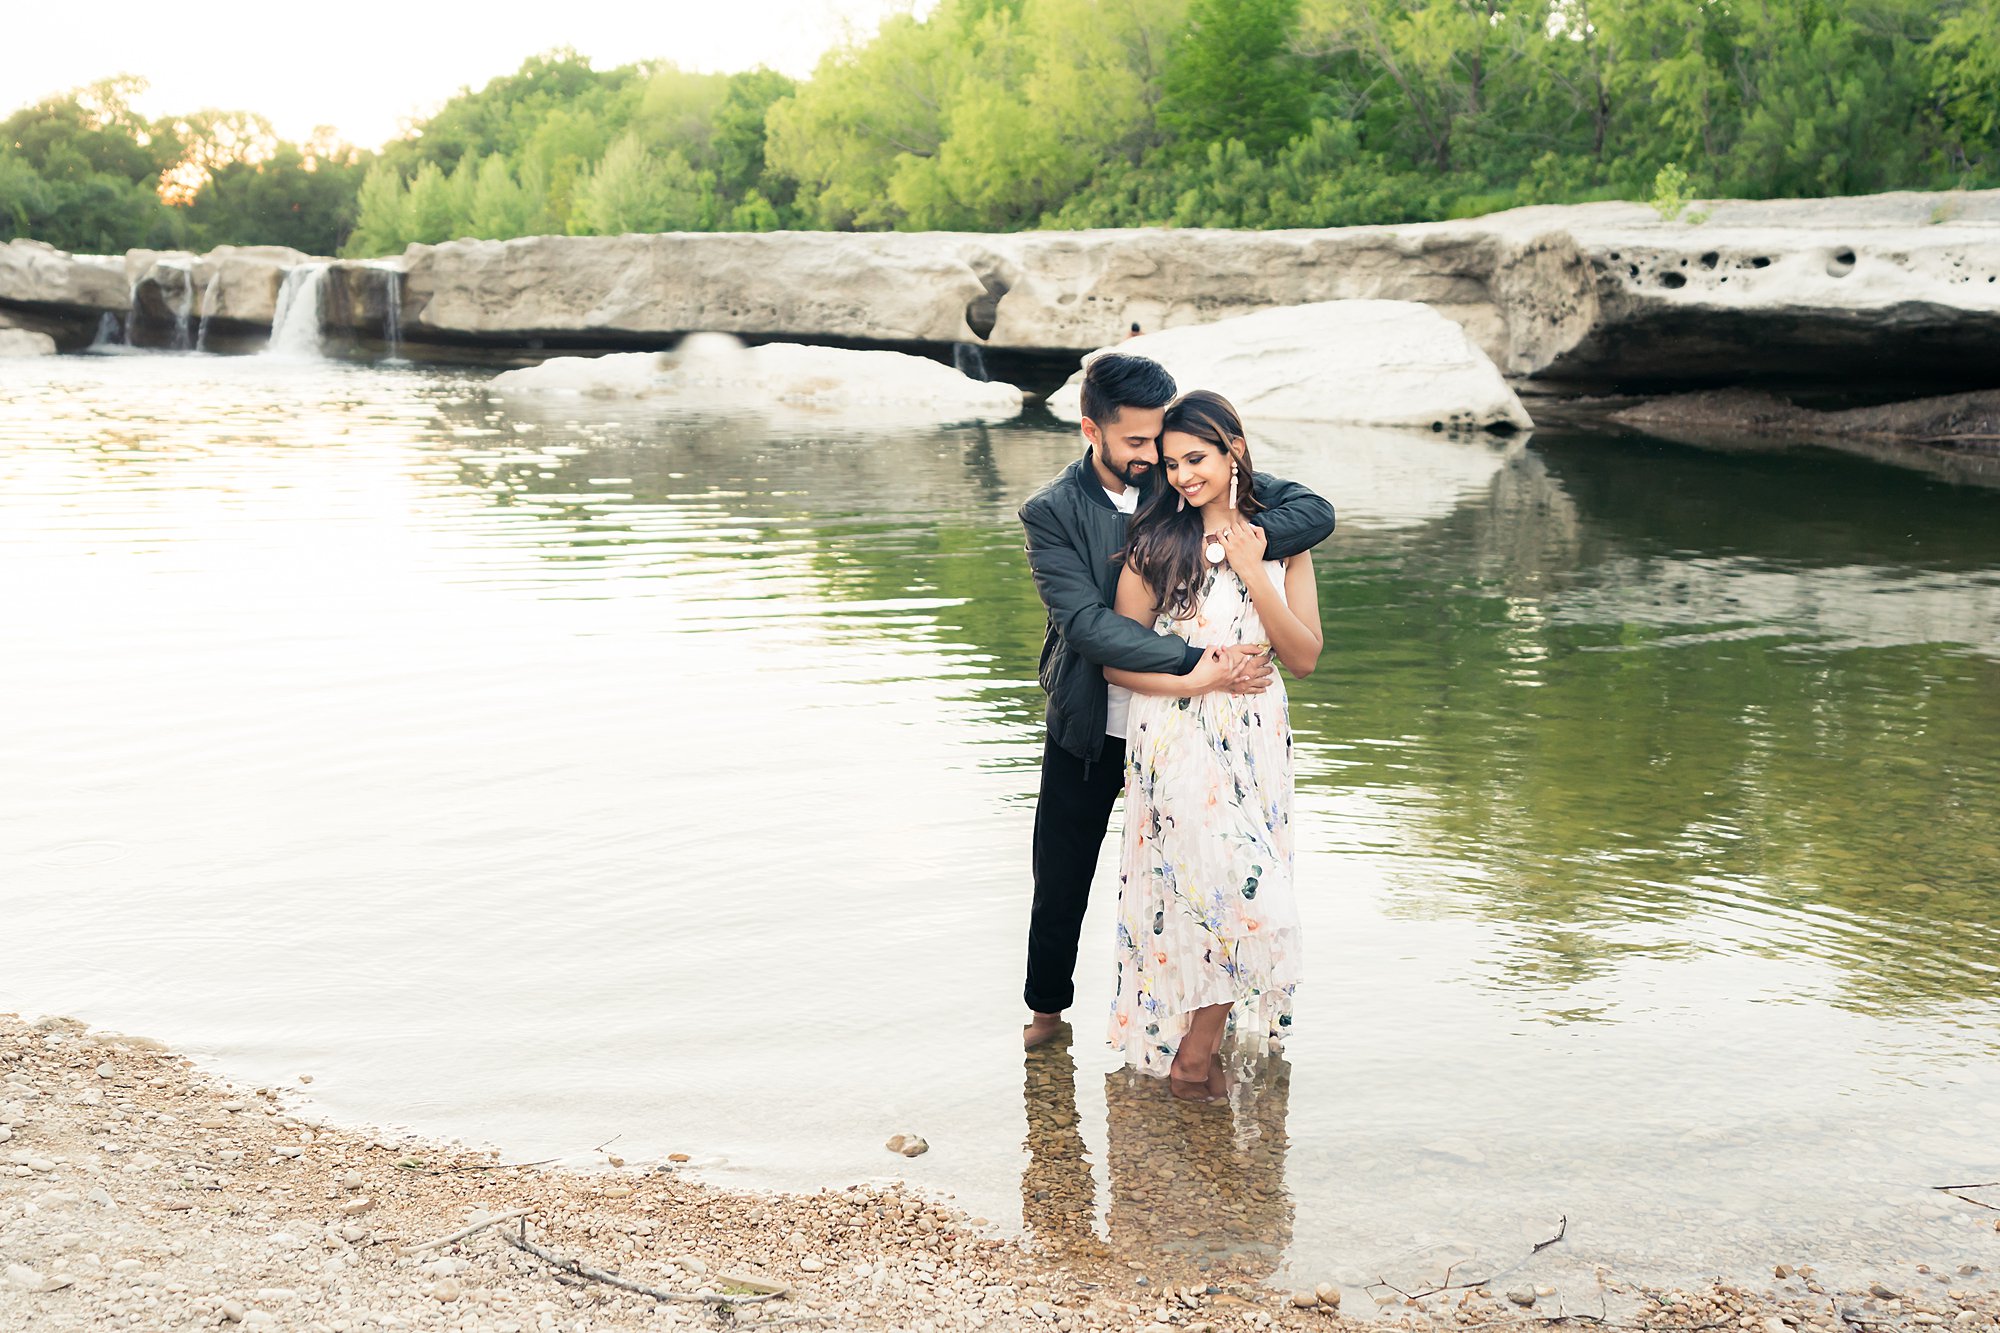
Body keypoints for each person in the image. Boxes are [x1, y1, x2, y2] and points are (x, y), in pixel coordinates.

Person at [1020, 354, 1334, 1052]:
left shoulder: (1187, 481)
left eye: (1161, 443)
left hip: (1209, 732)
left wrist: (1233, 551)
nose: (1155, 460)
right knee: (1063, 875)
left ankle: (1197, 1039)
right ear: (1091, 432)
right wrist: (1205, 667)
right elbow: (1093, 629)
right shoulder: (1054, 512)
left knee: (1210, 880)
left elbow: (1311, 511)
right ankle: (1046, 1019)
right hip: (1098, 720)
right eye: (1138, 445)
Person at [1103, 389, 1324, 1101]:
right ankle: (1193, 1059)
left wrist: (1256, 568)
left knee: (1228, 898)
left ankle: (1199, 1054)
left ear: (1234, 448)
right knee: (1239, 902)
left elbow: (1305, 655)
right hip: (1175, 736)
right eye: (1170, 465)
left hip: (1257, 739)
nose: (1182, 476)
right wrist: (1199, 677)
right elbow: (1115, 661)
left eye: (1196, 459)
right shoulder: (1154, 546)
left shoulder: (1285, 540)